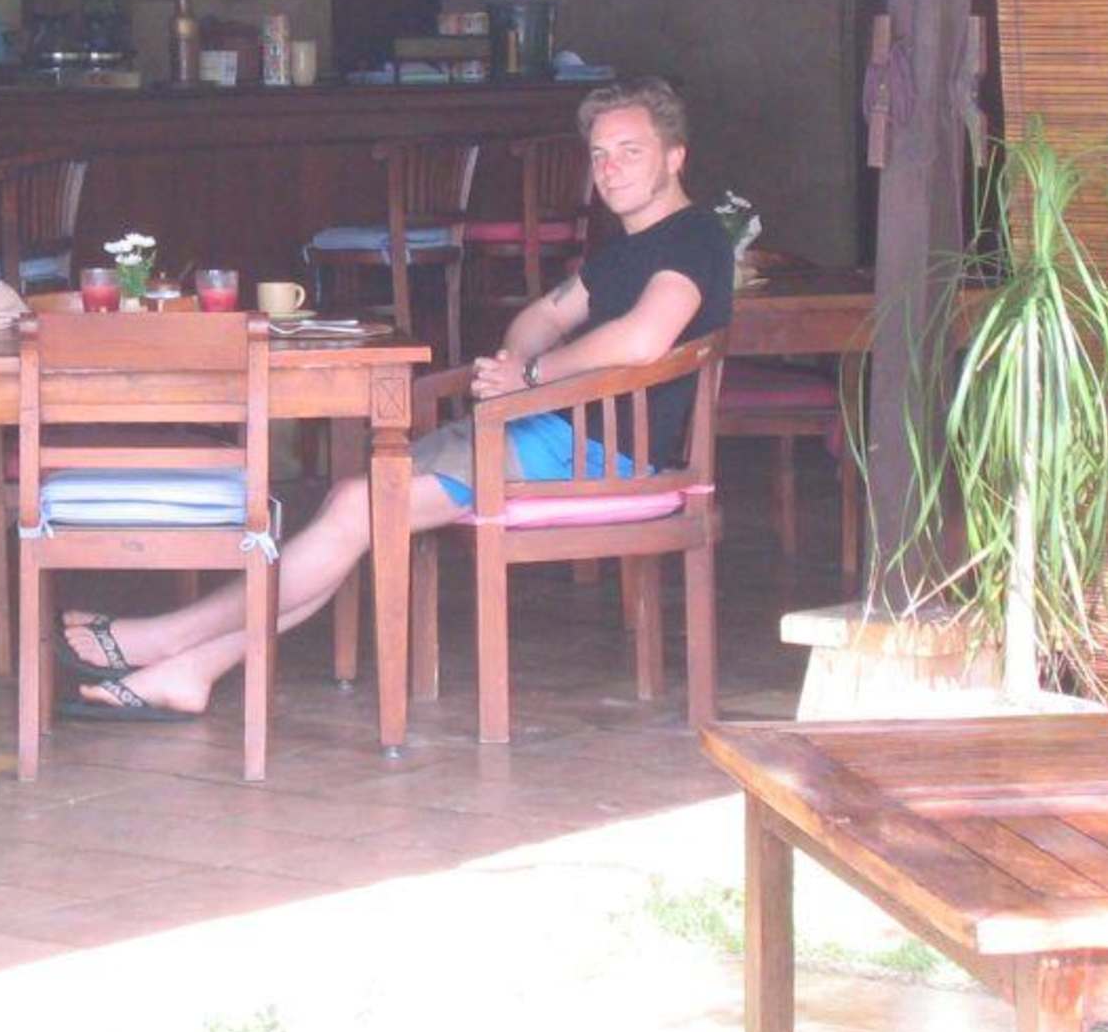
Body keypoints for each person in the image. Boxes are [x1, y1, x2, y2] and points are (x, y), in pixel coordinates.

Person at [56, 76, 734, 720]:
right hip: (540, 432)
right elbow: (544, 315)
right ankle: (191, 670)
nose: (610, 169)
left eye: (630, 151)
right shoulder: (626, 250)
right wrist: (516, 368)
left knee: (358, 507)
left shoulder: (694, 237)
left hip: (598, 451)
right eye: (600, 154)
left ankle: (162, 640)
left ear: (675, 156)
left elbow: (645, 338)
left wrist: (531, 379)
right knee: (352, 505)